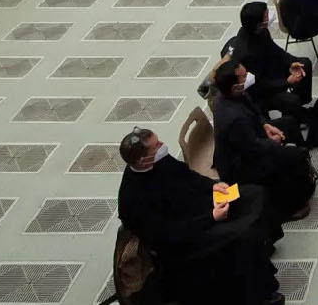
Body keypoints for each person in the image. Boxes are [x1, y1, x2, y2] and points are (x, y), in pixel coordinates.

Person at [115, 127, 284, 305]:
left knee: (255, 194)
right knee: (244, 236)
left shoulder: (158, 160)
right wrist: (211, 217)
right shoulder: (134, 199)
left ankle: (263, 247)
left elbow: (185, 174)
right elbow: (168, 233)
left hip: (196, 207)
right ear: (143, 160)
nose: (162, 145)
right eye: (156, 146)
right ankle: (261, 294)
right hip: (185, 240)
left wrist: (211, 186)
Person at [209, 58, 316, 222]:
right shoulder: (234, 117)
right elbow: (253, 148)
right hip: (240, 165)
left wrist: (266, 125)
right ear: (235, 86)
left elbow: (254, 112)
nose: (249, 76)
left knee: (289, 123)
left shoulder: (231, 95)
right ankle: (290, 208)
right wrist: (275, 144)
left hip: (251, 138)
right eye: (245, 75)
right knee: (295, 157)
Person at [221, 2, 313, 122]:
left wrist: (291, 62)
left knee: (305, 63)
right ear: (259, 24)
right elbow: (258, 85)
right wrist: (286, 82)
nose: (269, 17)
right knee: (291, 100)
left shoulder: (261, 32)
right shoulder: (245, 54)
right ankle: (293, 115)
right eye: (266, 16)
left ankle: (300, 103)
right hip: (261, 91)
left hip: (269, 70)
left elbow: (274, 49)